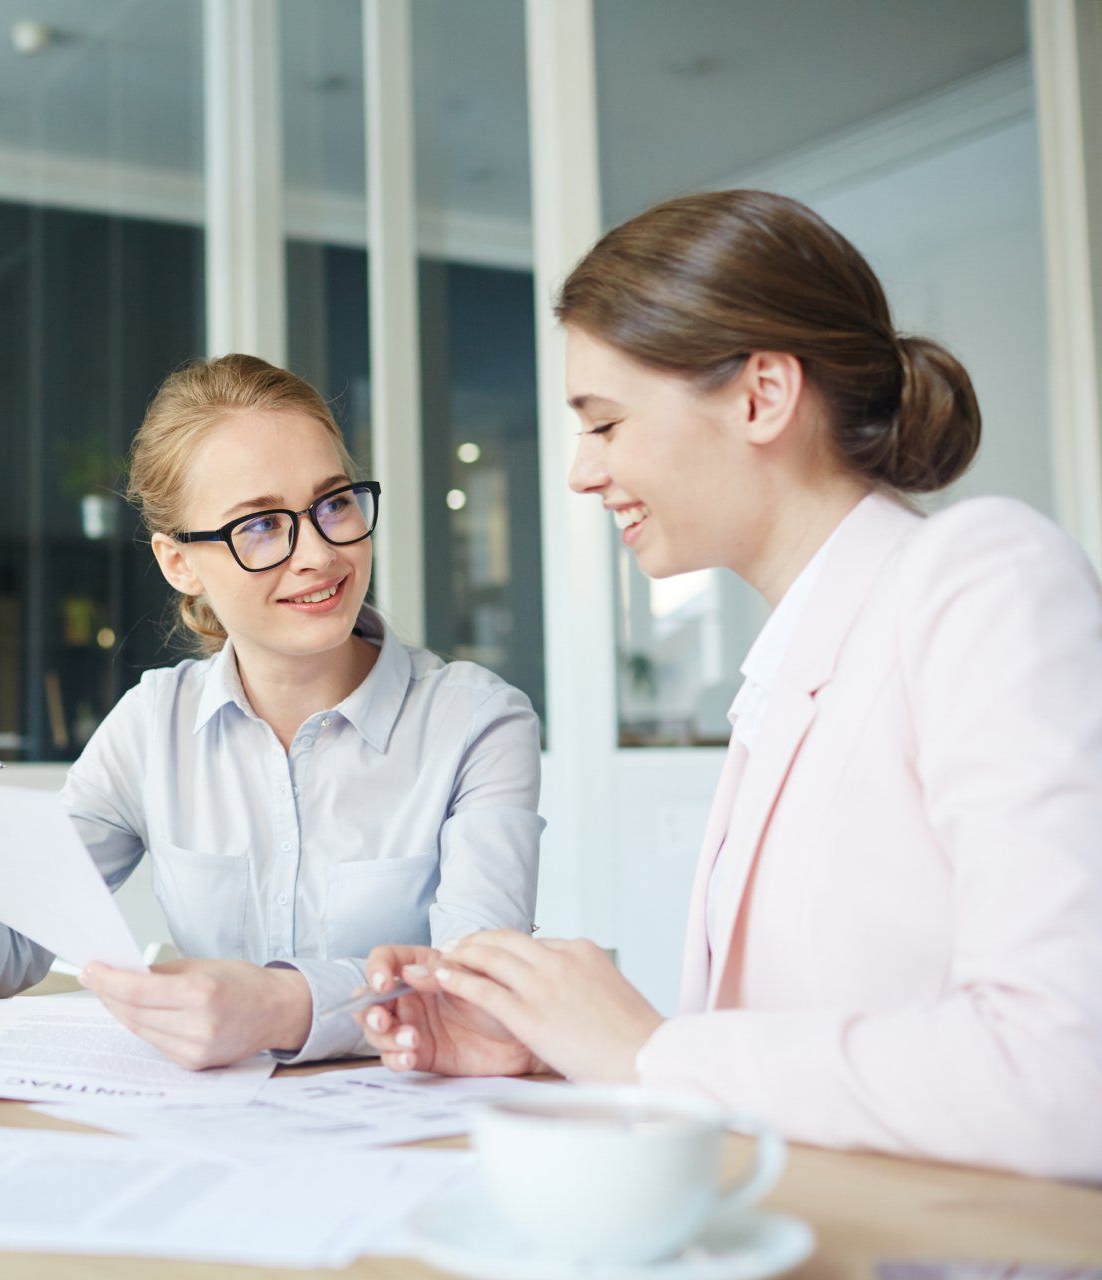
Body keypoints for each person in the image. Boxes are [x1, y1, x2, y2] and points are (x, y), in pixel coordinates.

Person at [360, 189, 1102, 1181]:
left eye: (606, 422)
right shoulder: (790, 662)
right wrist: (566, 1048)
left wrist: (645, 1050)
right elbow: (789, 1048)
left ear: (762, 395)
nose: (581, 473)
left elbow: (1066, 1070)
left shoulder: (982, 577)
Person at [0, 353, 543, 1067]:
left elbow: (476, 994)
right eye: (261, 525)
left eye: (335, 503)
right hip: (210, 1128)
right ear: (179, 562)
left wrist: (276, 1006)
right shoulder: (152, 726)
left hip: (419, 1138)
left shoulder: (477, 724)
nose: (320, 553)